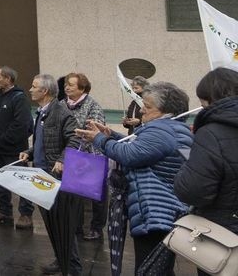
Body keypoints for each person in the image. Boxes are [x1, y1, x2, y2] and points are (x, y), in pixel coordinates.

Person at [75, 81, 193, 276]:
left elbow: (131, 154)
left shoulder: (161, 131)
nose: (141, 111)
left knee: (149, 268)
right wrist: (110, 134)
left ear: (166, 111)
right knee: (159, 267)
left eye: (147, 107)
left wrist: (99, 139)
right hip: (164, 209)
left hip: (155, 211)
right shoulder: (174, 129)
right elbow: (142, 147)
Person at [174, 67, 238, 267]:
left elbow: (193, 191)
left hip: (225, 239)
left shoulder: (212, 132)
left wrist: (187, 169)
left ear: (210, 99)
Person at [19, 74, 82, 276]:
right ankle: (60, 258)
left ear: (44, 91)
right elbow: (44, 141)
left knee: (62, 224)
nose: (30, 89)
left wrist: (62, 160)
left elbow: (74, 139)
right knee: (51, 222)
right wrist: (29, 153)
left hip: (54, 176)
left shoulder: (61, 112)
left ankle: (72, 266)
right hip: (41, 173)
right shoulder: (42, 112)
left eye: (34, 86)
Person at [0, 65, 34, 229]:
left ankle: (26, 214)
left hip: (15, 150)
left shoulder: (19, 98)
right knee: (0, 181)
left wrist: (3, 139)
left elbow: (21, 125)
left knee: (21, 182)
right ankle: (4, 211)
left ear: (8, 79)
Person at [63, 72, 106, 241]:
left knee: (96, 195)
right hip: (71, 155)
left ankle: (96, 228)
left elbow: (92, 132)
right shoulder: (61, 104)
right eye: (66, 84)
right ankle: (77, 226)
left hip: (91, 156)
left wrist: (76, 147)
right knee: (74, 194)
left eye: (71, 85)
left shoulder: (93, 106)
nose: (67, 87)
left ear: (82, 88)